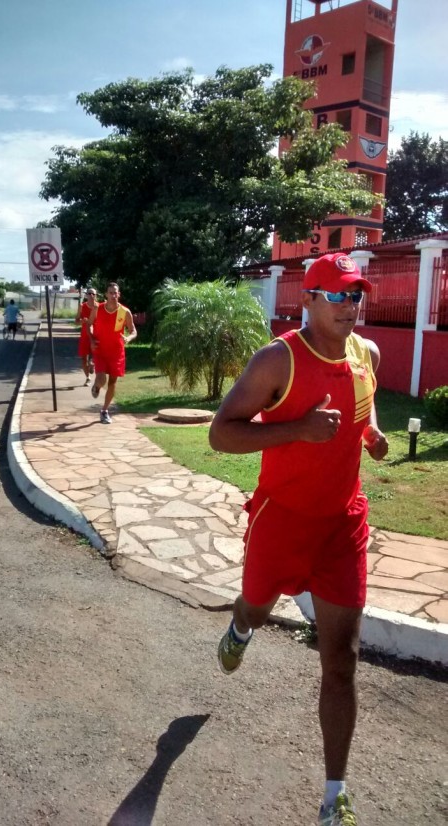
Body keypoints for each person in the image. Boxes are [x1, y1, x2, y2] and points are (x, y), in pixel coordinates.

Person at [209, 253, 389, 826]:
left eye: (355, 295)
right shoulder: (278, 360)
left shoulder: (367, 353)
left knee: (342, 660)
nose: (349, 306)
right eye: (336, 295)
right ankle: (240, 628)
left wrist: (372, 433)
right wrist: (299, 431)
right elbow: (220, 434)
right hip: (281, 521)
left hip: (342, 526)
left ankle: (335, 797)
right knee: (256, 608)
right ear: (307, 299)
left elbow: (365, 403)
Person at [87, 282, 137, 424]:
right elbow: (89, 324)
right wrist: (92, 339)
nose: (113, 295)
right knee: (102, 379)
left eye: (115, 293)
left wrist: (129, 338)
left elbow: (133, 330)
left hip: (117, 352)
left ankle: (104, 411)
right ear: (106, 294)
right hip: (100, 350)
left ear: (119, 294)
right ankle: (96, 386)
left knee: (113, 382)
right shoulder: (98, 308)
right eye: (110, 293)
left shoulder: (125, 312)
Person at [75, 288, 98, 384]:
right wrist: (82, 321)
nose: (91, 295)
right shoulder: (82, 306)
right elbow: (76, 321)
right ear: (86, 295)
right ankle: (88, 377)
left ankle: (92, 364)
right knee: (84, 359)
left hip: (96, 335)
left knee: (95, 355)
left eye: (93, 294)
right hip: (84, 335)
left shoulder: (99, 306)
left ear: (96, 296)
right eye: (89, 293)